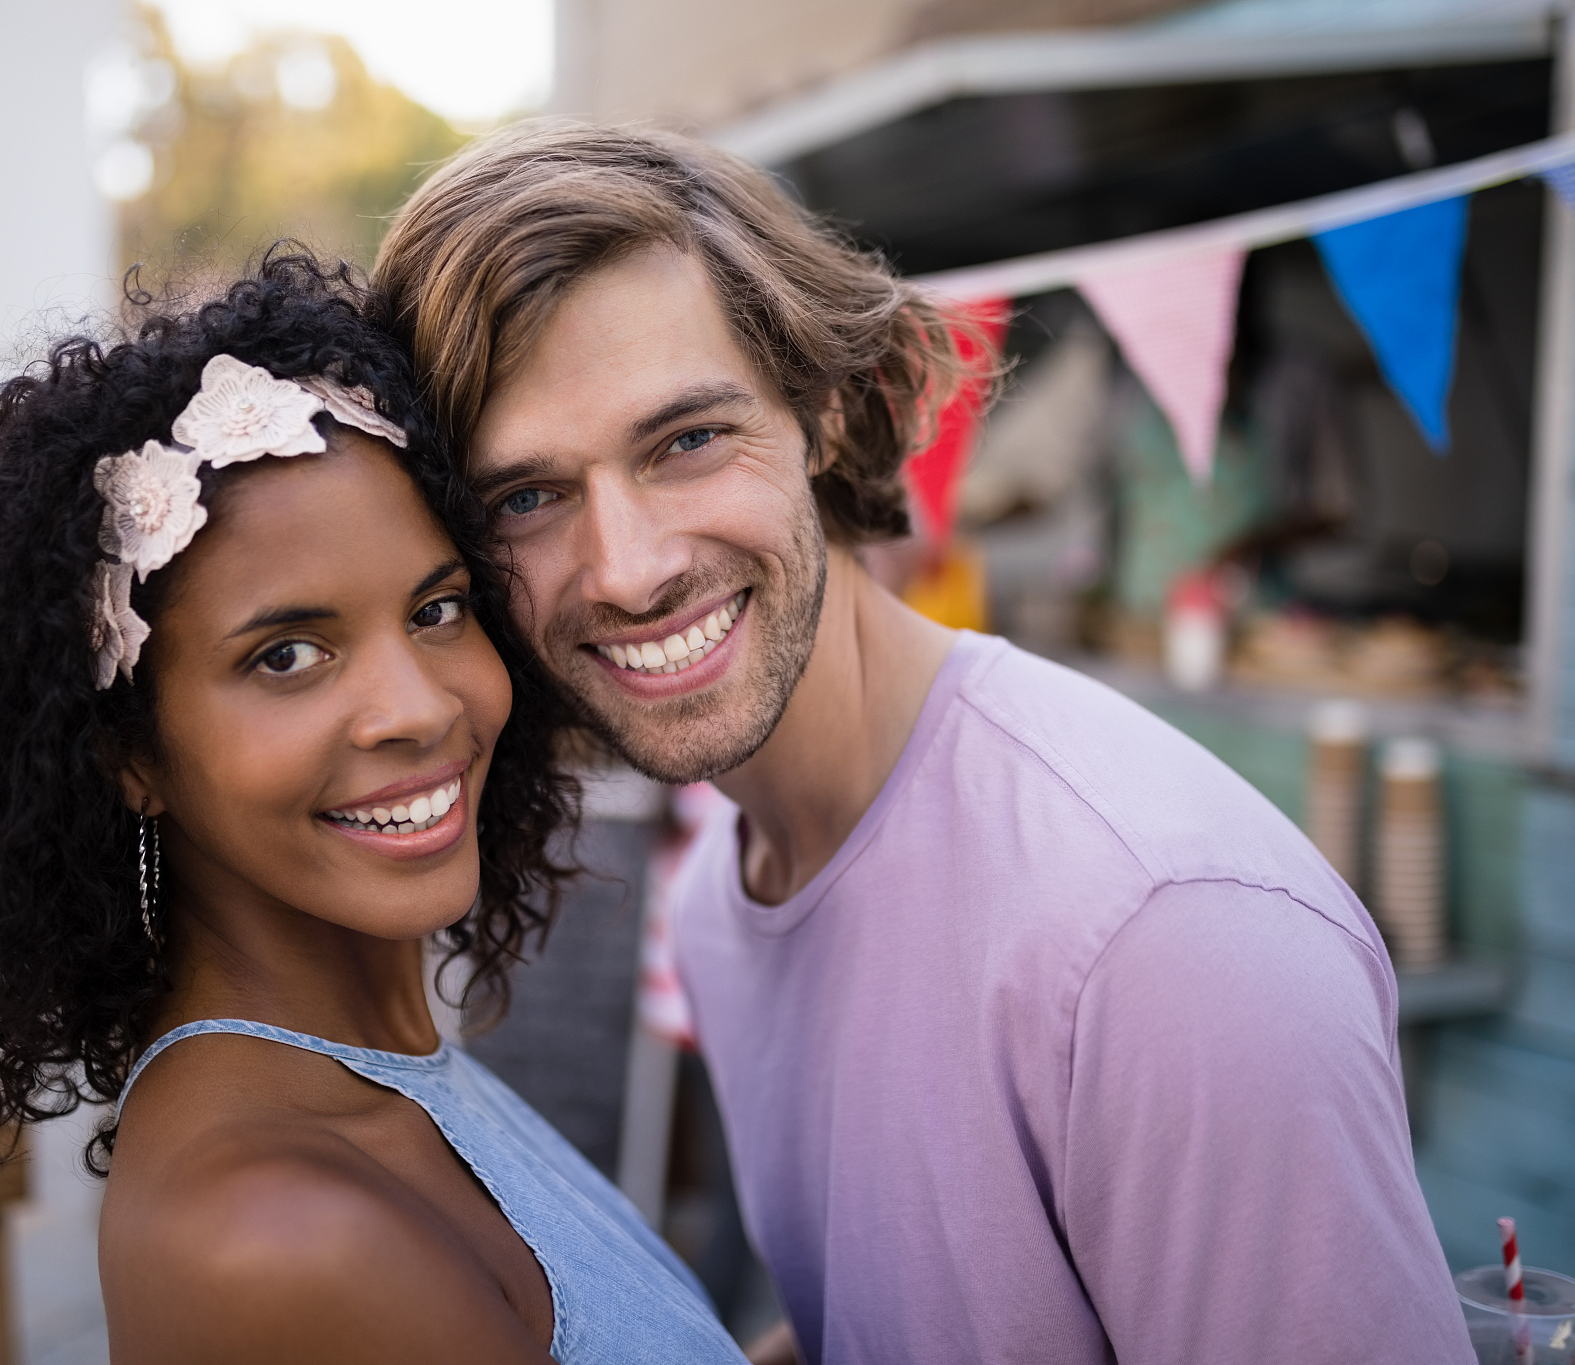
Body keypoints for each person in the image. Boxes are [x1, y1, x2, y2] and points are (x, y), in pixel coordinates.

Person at [373, 123, 1474, 1364]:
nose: (626, 572)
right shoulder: (730, 889)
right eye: (526, 497)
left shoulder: (1158, 939)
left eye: (685, 441)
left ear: (829, 418)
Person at [0, 251, 748, 1364]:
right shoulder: (280, 1236)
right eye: (288, 655)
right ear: (127, 753)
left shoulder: (380, 1081)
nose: (415, 707)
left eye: (438, 609)